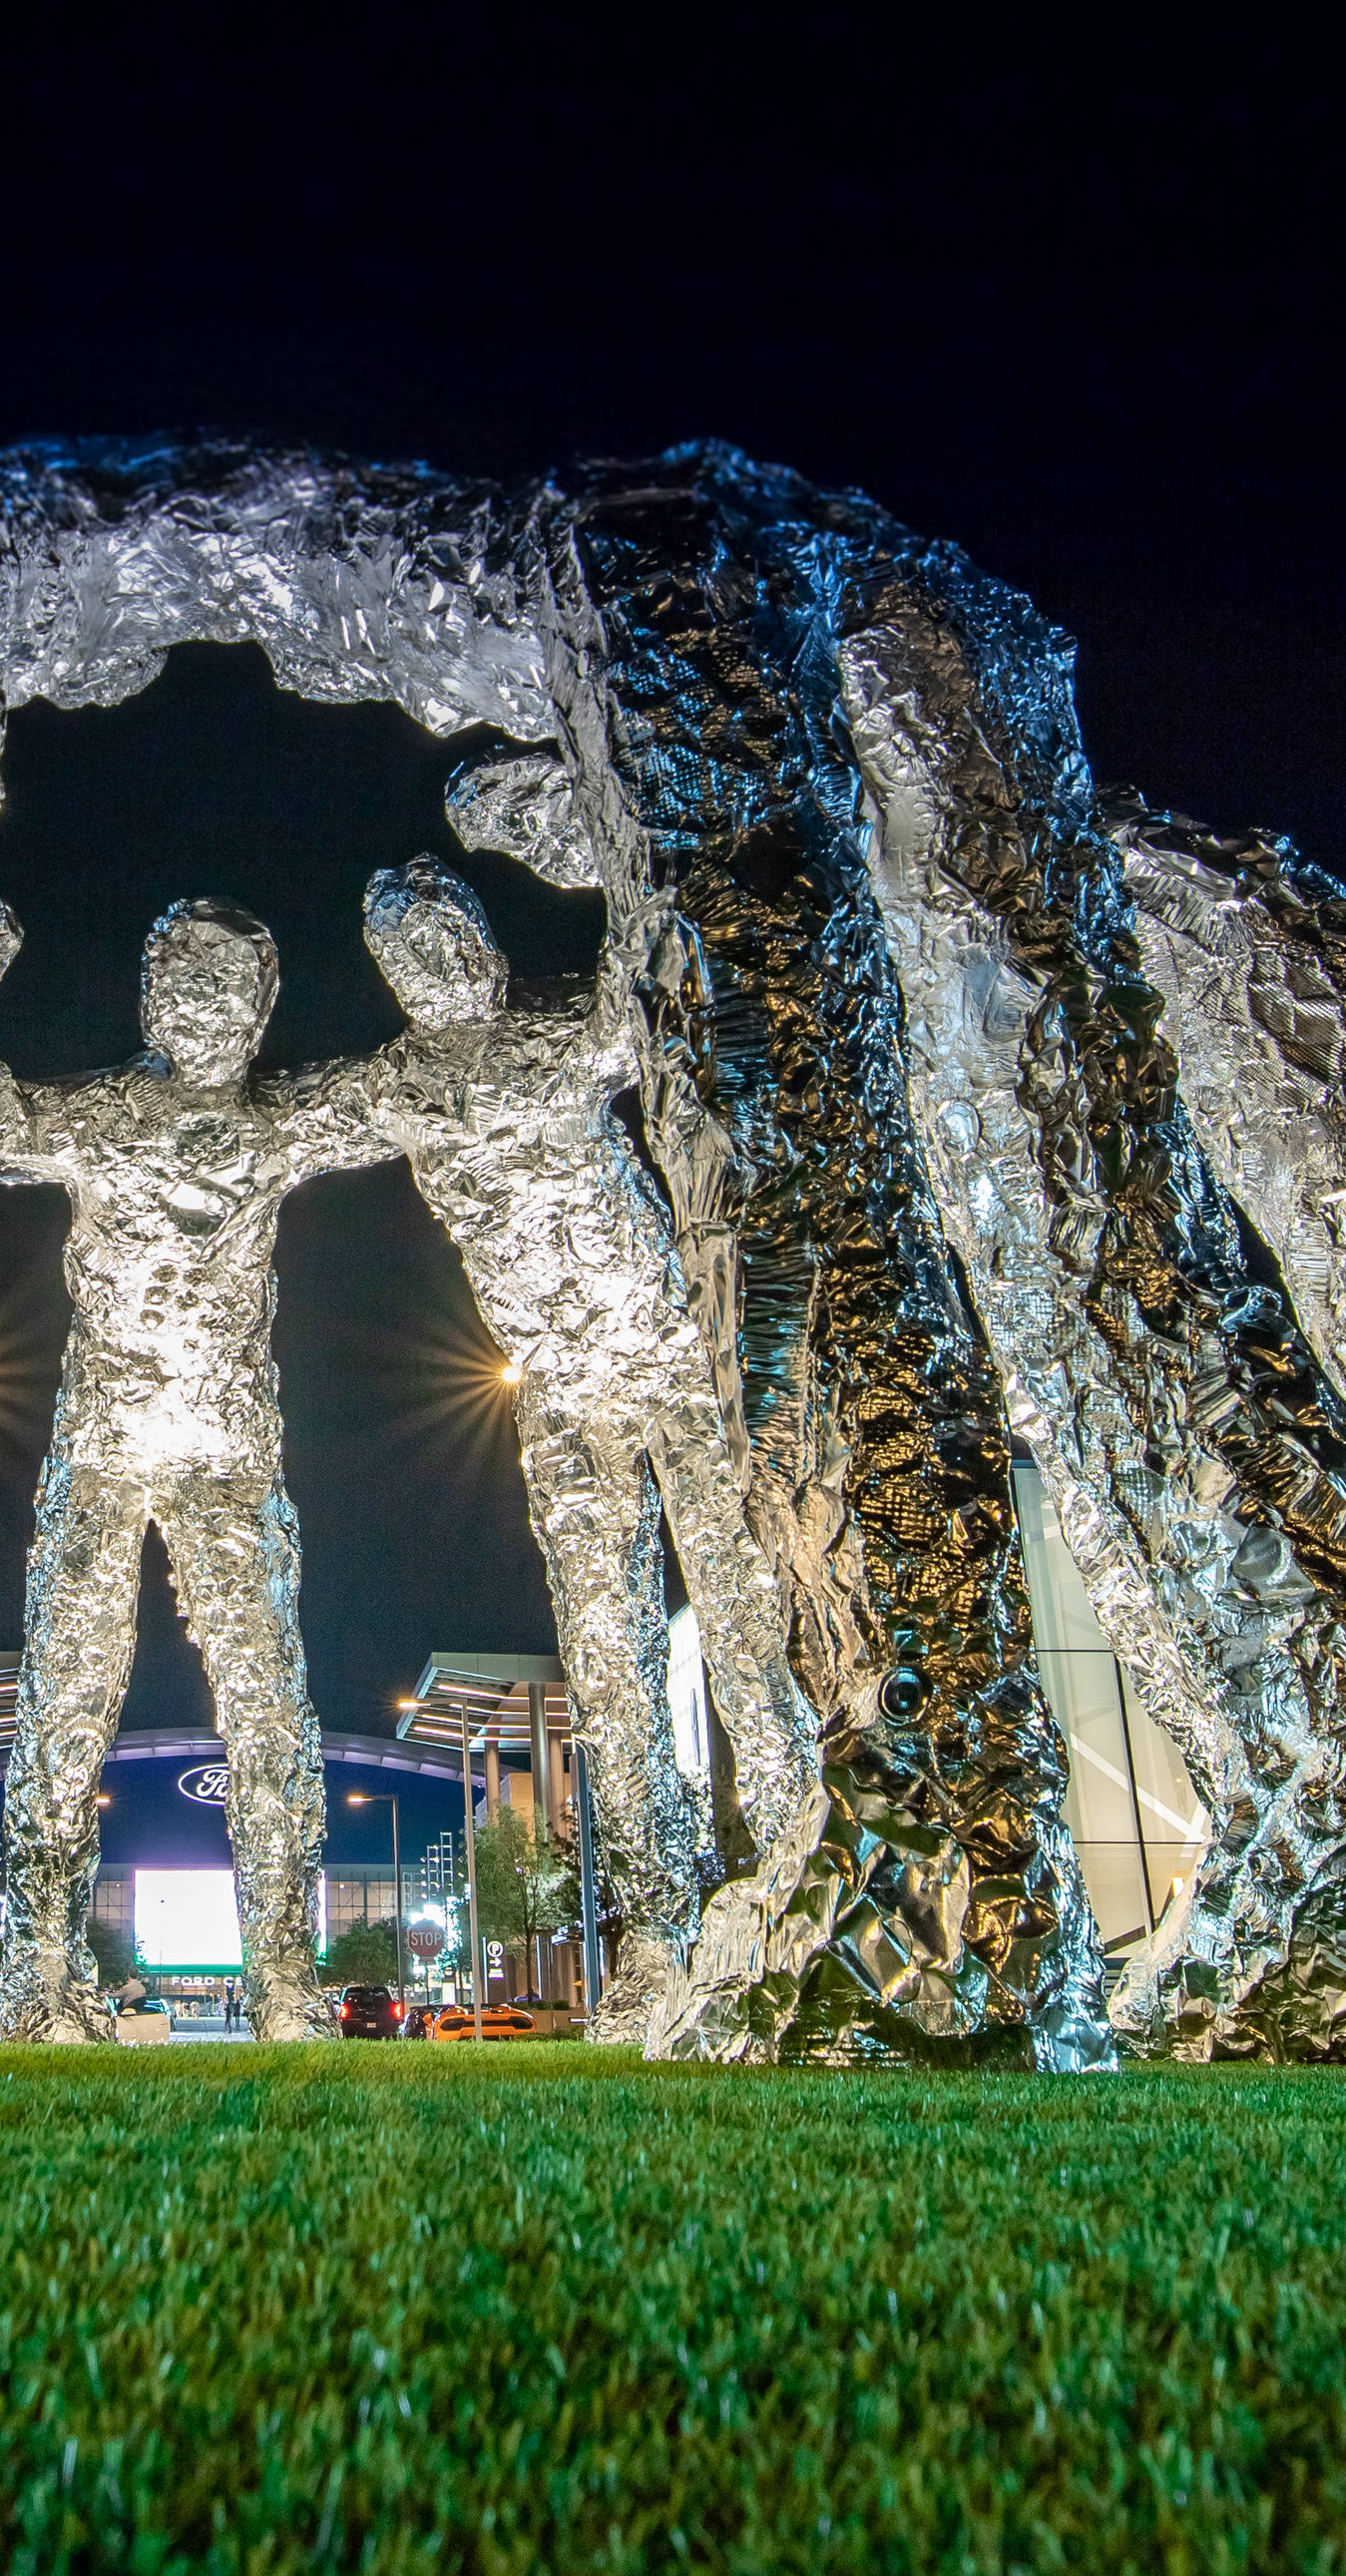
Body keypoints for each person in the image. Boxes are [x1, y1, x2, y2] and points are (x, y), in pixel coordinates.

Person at [357, 857, 825, 2035]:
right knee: (607, 1676)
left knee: (742, 1617)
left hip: (667, 1363)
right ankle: (658, 1939)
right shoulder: (400, 1084)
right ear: (388, 979)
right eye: (407, 955)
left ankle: (808, 1867)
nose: (437, 966)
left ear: (489, 948)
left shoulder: (571, 1028)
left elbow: (673, 976)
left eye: (451, 938)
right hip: (564, 1404)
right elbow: (249, 1128)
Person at [0, 901, 399, 2041]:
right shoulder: (94, 1119)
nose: (208, 1004)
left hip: (227, 1460)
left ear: (261, 1008)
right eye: (187, 978)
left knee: (270, 1709)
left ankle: (285, 1979)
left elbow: (403, 1093)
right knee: (64, 1705)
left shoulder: (277, 1122)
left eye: (231, 984)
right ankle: (37, 1978)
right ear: (150, 998)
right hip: (103, 1453)